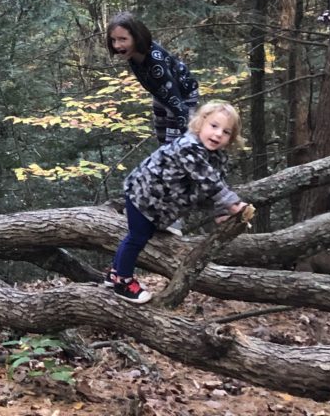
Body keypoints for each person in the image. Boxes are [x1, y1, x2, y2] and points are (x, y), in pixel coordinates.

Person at [105, 100, 248, 304]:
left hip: (158, 203)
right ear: (200, 123)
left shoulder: (216, 157)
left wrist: (221, 213)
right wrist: (234, 206)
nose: (218, 134)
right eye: (214, 126)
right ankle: (123, 282)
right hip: (143, 195)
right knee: (137, 238)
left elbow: (213, 184)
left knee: (137, 237)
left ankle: (114, 273)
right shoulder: (188, 147)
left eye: (225, 132)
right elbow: (209, 181)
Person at [106, 12, 199, 145]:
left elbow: (179, 106)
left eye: (122, 39)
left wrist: (190, 140)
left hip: (182, 94)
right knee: (161, 130)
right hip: (161, 92)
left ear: (136, 38)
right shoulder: (133, 55)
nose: (117, 45)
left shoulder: (156, 64)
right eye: (114, 40)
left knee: (174, 141)